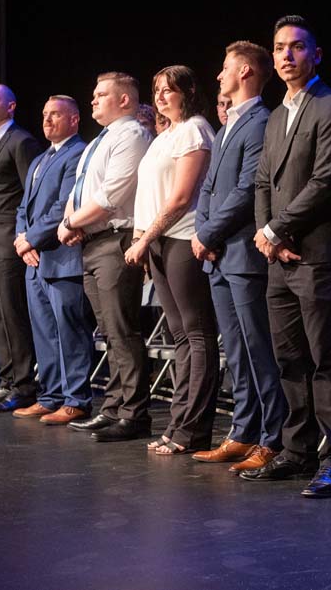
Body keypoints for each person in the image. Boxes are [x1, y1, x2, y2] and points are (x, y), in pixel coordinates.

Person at [243, 14, 331, 498]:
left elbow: (326, 182)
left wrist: (275, 228)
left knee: (324, 357)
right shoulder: (274, 115)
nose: (286, 55)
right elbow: (263, 180)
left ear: (316, 54)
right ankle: (295, 449)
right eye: (279, 48)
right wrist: (265, 235)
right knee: (288, 356)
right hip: (280, 257)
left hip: (317, 254)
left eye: (296, 47)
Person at [191, 42, 287, 473]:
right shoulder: (230, 122)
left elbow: (248, 189)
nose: (218, 76)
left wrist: (208, 232)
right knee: (235, 349)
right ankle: (243, 432)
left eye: (225, 68)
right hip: (218, 254)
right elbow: (211, 188)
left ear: (246, 72)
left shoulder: (261, 122)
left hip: (244, 254)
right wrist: (203, 233)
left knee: (257, 348)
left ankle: (273, 437)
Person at [125, 66, 218, 455]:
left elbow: (180, 198)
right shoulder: (167, 135)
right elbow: (149, 193)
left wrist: (144, 238)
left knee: (196, 335)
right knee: (180, 337)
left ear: (189, 92)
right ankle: (178, 424)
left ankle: (192, 430)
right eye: (157, 90)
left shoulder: (196, 129)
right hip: (159, 242)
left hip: (181, 239)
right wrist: (142, 236)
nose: (161, 96)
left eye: (169, 90)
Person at [57, 72, 153, 442]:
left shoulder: (131, 135)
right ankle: (112, 407)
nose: (93, 100)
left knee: (123, 330)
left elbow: (112, 195)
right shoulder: (100, 140)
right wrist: (73, 220)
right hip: (92, 241)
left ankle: (134, 413)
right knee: (108, 333)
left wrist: (69, 224)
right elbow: (80, 190)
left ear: (125, 100)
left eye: (101, 95)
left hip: (115, 241)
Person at [11, 96, 96, 425]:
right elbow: (25, 208)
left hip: (63, 259)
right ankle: (50, 396)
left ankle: (76, 399)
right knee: (44, 332)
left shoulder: (78, 153)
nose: (47, 120)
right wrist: (22, 239)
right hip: (35, 260)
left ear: (74, 120)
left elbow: (64, 205)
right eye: (45, 114)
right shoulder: (40, 158)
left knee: (69, 331)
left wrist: (30, 239)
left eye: (55, 115)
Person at [0, 84, 44, 412]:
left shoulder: (21, 141)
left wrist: (25, 234)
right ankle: (7, 380)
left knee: (13, 315)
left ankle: (25, 386)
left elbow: (31, 193)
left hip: (8, 242)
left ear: (11, 106)